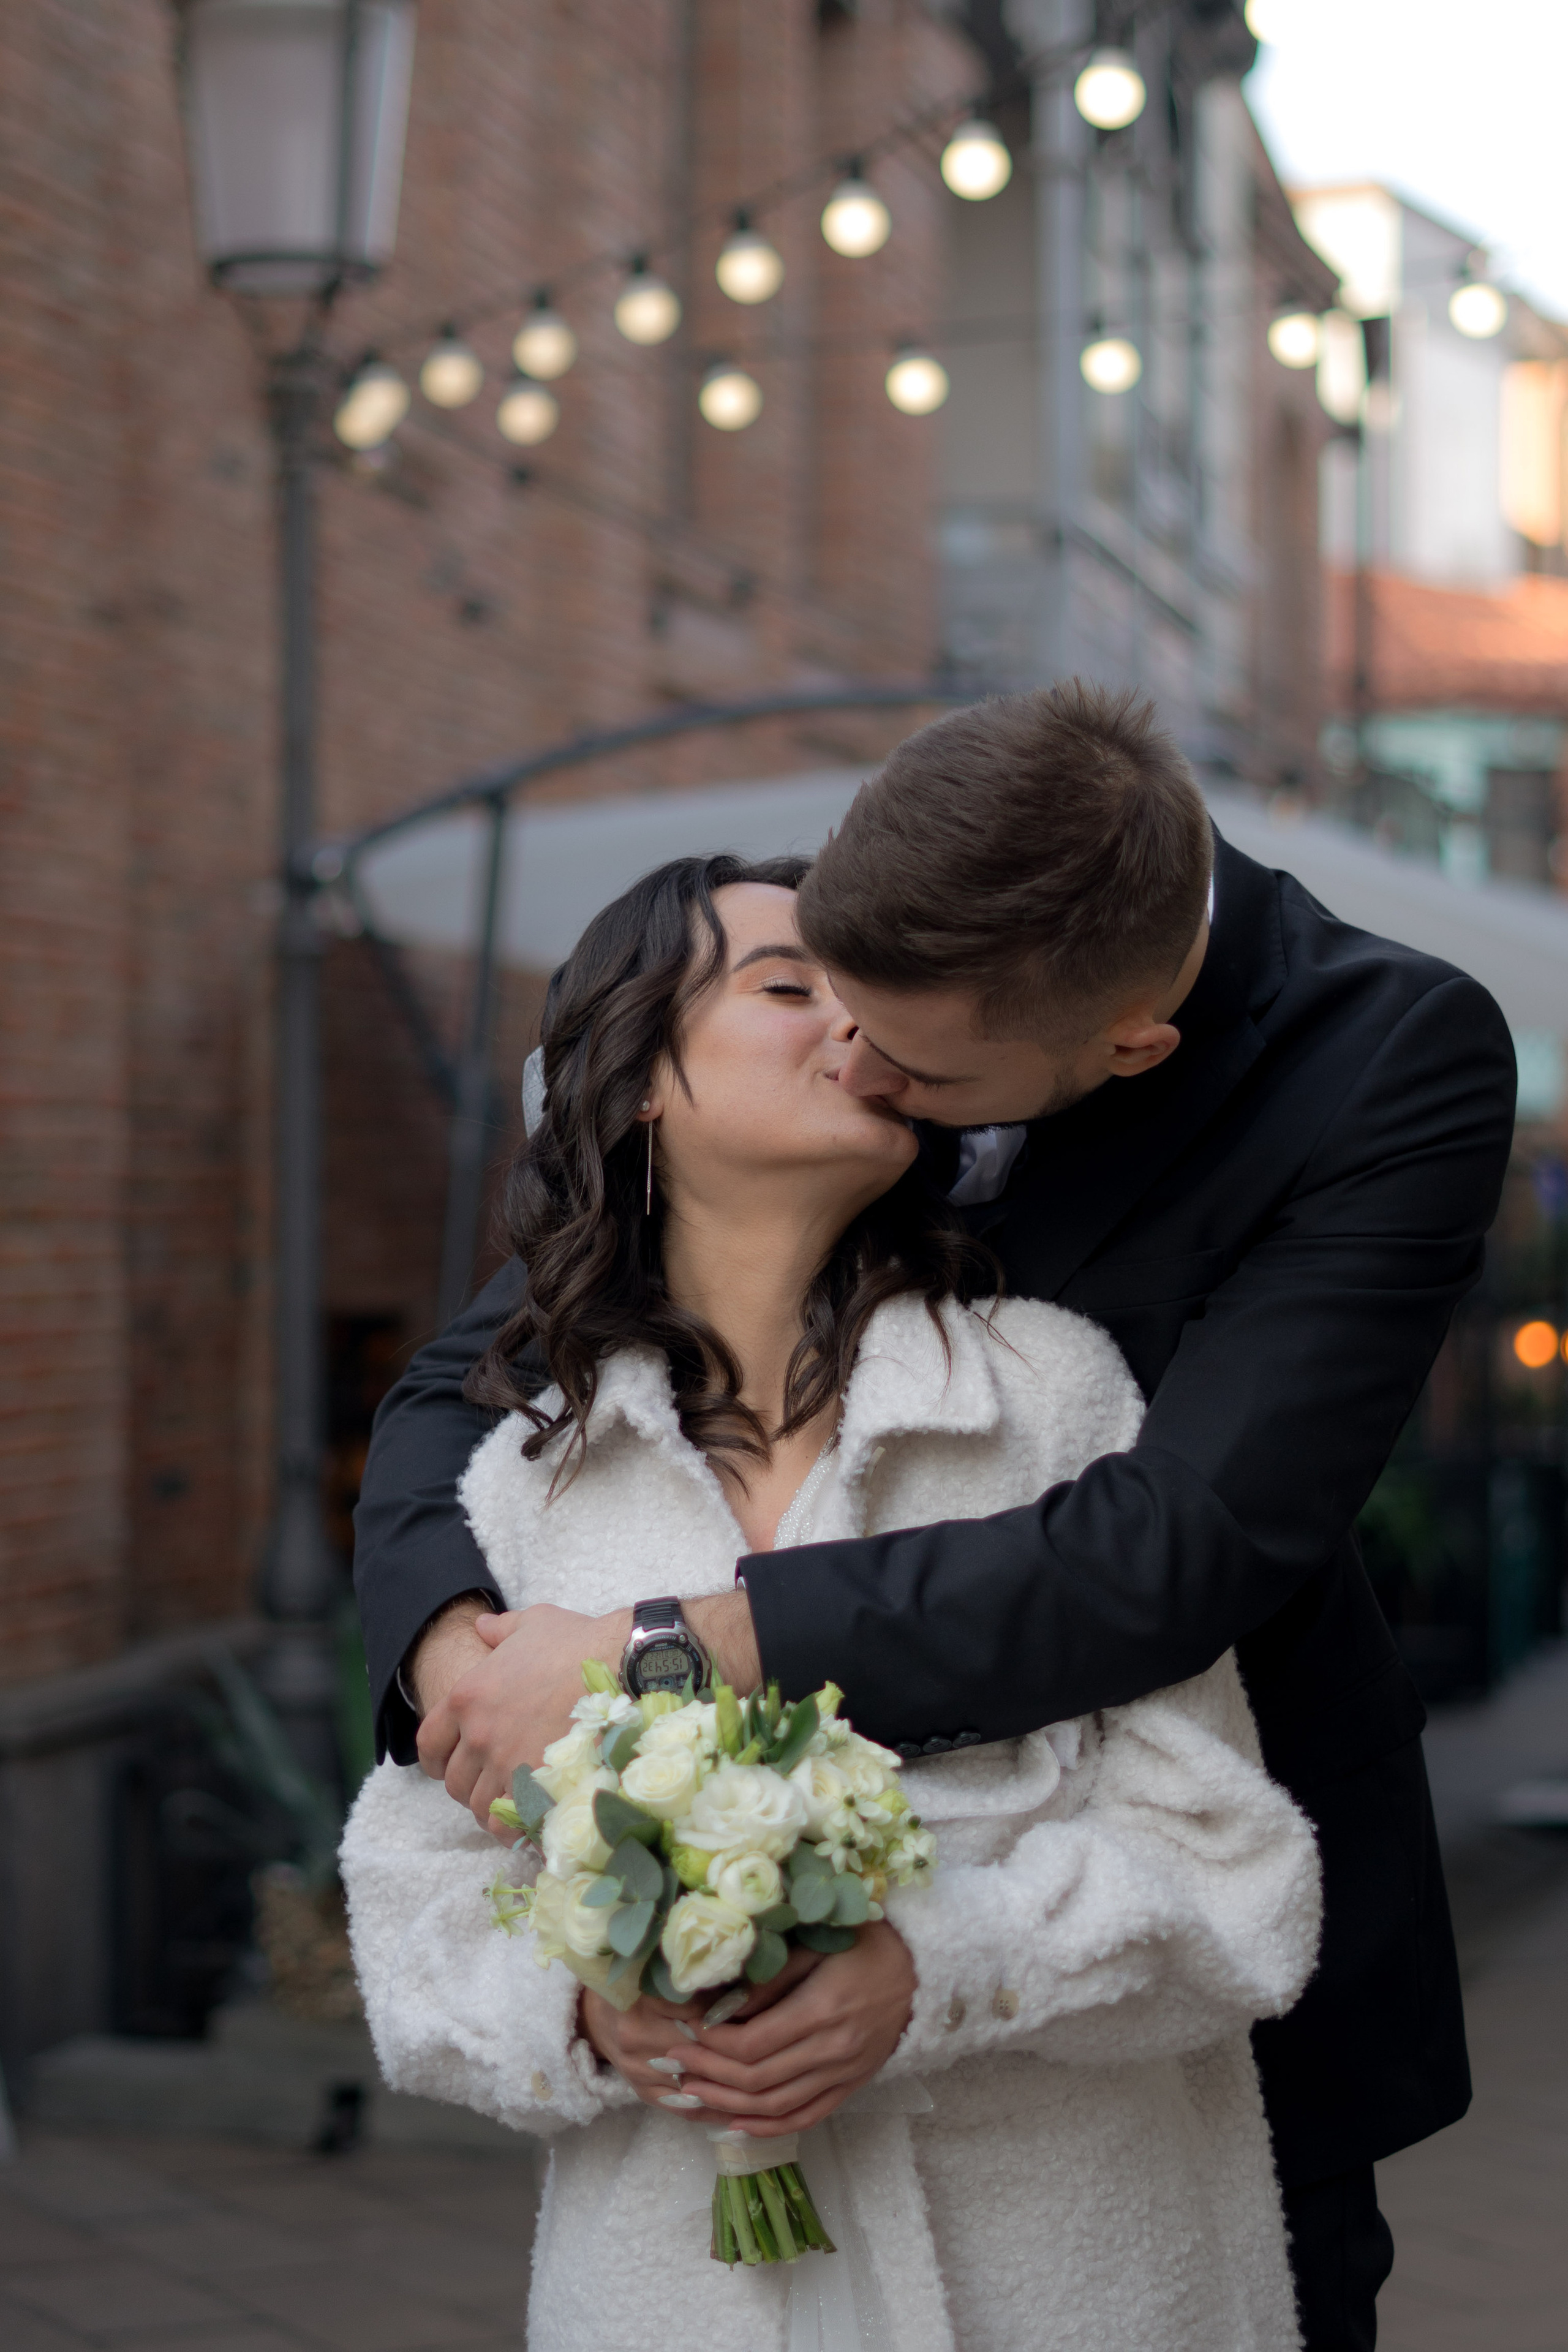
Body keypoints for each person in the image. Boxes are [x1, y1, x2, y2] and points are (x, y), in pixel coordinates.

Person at [353, 685, 1517, 2351]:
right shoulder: (880, 978)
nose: (856, 1053)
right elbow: (469, 1375)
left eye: (917, 1068)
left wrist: (672, 1654)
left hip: (1170, 2042)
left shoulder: (1380, 1067)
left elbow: (1184, 1550)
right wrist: (458, 1643)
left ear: (1125, 1052)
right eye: (808, 992)